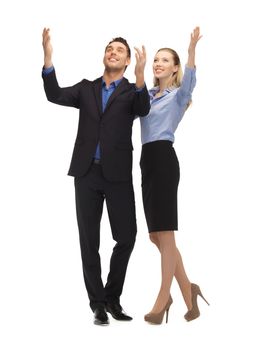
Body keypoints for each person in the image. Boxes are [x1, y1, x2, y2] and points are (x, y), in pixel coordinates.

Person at [42, 28, 150, 325]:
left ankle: (113, 298)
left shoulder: (131, 91)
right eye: (109, 49)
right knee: (89, 241)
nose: (112, 52)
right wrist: (48, 60)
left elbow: (143, 109)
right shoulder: (86, 88)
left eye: (119, 50)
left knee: (126, 237)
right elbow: (55, 94)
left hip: (117, 175)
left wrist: (141, 79)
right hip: (86, 173)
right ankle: (98, 304)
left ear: (127, 61)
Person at [138, 27, 209, 324]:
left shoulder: (179, 95)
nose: (158, 63)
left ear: (175, 67)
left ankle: (163, 297)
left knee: (166, 234)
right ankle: (188, 290)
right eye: (156, 59)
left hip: (164, 159)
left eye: (165, 60)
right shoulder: (148, 95)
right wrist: (139, 71)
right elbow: (136, 99)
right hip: (146, 161)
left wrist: (191, 47)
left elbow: (191, 77)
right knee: (156, 236)